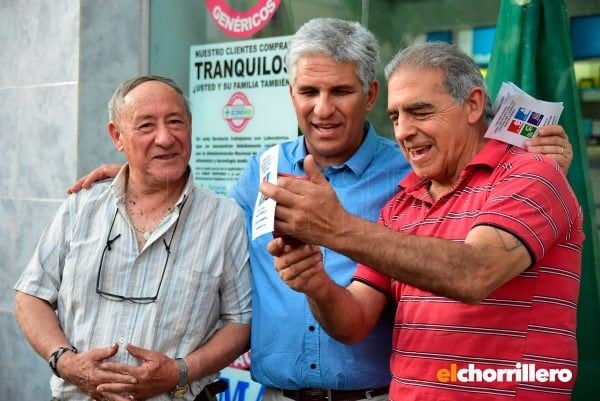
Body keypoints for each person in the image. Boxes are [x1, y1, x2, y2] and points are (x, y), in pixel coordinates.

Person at [66, 19, 574, 401]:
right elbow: (209, 217)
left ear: (367, 95)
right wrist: (148, 178)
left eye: (341, 91)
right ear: (291, 96)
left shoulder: (411, 175)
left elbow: (475, 258)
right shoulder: (270, 171)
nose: (323, 108)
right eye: (309, 91)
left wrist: (336, 229)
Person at [261, 42, 584, 401]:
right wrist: (316, 284)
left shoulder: (531, 174)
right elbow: (353, 323)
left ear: (473, 104)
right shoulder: (400, 206)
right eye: (396, 116)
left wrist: (337, 228)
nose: (403, 131)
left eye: (419, 111)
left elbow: (474, 272)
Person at [14, 75, 252, 401]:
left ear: (191, 126)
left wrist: (180, 371)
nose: (166, 138)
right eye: (145, 126)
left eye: (175, 122)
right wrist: (67, 363)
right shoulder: (82, 207)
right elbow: (31, 296)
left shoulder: (225, 219)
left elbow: (241, 322)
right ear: (117, 136)